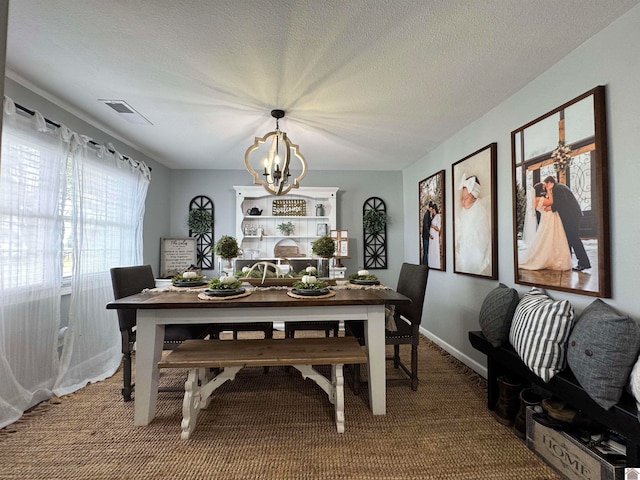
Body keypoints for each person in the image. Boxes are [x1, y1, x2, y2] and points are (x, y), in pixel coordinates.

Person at [542, 176, 591, 271]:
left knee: (574, 239)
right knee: (569, 239)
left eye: (545, 184)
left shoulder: (557, 189)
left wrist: (551, 208)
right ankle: (568, 261)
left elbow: (561, 202)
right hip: (573, 215)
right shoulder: (560, 187)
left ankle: (583, 263)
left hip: (572, 216)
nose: (545, 187)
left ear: (549, 183)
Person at [519, 183, 572, 271]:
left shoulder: (537, 199)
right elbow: (551, 202)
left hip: (547, 219)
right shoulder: (539, 199)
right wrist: (549, 190)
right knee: (549, 237)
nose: (545, 188)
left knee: (547, 237)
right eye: (544, 187)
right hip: (548, 219)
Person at [455, 175, 491, 276]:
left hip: (476, 245)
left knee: (475, 261)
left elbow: (482, 232)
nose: (463, 201)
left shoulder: (479, 210)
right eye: (462, 198)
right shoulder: (464, 210)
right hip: (465, 246)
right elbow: (461, 226)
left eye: (466, 198)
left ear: (475, 197)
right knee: (463, 261)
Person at [428, 202, 441, 269]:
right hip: (431, 237)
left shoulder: (438, 216)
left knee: (434, 251)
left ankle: (435, 264)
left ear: (434, 209)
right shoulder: (433, 217)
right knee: (431, 251)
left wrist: (432, 226)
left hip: (435, 238)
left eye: (432, 210)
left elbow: (438, 228)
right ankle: (431, 264)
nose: (432, 211)